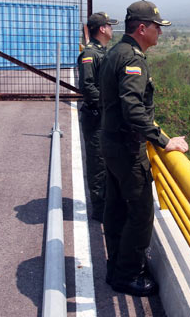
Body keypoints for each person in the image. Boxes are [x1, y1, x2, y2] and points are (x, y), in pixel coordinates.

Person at [99, 0, 188, 297]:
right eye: (157, 28)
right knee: (140, 214)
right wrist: (164, 140)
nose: (160, 34)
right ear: (142, 28)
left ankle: (116, 268)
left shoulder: (116, 52)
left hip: (111, 143)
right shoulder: (133, 59)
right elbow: (133, 109)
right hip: (126, 148)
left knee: (115, 210)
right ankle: (127, 275)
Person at [77, 12, 118, 222]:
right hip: (96, 117)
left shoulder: (101, 52)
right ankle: (99, 211)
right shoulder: (90, 54)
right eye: (110, 26)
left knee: (105, 162)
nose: (112, 29)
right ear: (102, 29)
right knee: (98, 163)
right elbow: (88, 87)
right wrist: (107, 106)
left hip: (102, 116)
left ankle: (104, 205)